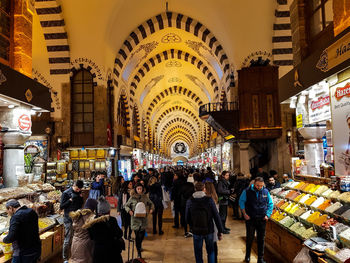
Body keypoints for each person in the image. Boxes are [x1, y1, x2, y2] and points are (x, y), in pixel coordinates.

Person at [186, 182, 224, 263]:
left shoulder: (190, 201)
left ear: (195, 190)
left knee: (198, 252)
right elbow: (216, 216)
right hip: (209, 229)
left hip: (196, 230)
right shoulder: (209, 200)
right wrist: (220, 230)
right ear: (204, 189)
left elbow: (187, 217)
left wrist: (192, 226)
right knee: (210, 251)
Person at [239, 177, 274, 263]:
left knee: (261, 239)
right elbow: (241, 202)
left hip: (262, 219)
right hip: (250, 218)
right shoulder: (247, 191)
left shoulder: (265, 191)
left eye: (261, 186)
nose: (259, 187)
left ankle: (260, 259)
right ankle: (247, 256)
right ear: (254, 183)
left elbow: (270, 204)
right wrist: (244, 214)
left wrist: (268, 215)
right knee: (250, 238)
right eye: (258, 185)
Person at [83, 196, 123, 263]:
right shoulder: (112, 220)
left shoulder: (93, 222)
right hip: (112, 251)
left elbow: (91, 237)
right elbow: (119, 234)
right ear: (109, 211)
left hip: (98, 252)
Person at [124, 182, 154, 258]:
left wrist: (151, 209)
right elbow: (126, 205)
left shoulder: (145, 197)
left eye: (140, 188)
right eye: (138, 189)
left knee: (142, 235)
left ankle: (139, 245)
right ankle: (138, 252)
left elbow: (151, 204)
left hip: (143, 219)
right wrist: (129, 211)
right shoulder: (132, 197)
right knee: (137, 236)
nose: (139, 190)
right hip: (135, 220)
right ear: (135, 189)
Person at [60, 180, 84, 263]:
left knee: (76, 238)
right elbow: (61, 206)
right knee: (68, 239)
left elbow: (81, 205)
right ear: (74, 185)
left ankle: (74, 256)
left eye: (79, 189)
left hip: (77, 219)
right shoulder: (66, 193)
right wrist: (69, 201)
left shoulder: (79, 192)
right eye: (77, 189)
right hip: (68, 219)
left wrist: (80, 198)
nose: (78, 190)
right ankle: (65, 258)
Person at [69, 198, 97, 263]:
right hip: (86, 245)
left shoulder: (78, 214)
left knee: (75, 260)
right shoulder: (90, 216)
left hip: (75, 242)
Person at [204, 182, 220, 263]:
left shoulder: (208, 200)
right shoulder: (215, 197)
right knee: (214, 244)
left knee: (210, 247)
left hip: (210, 224)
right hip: (214, 225)